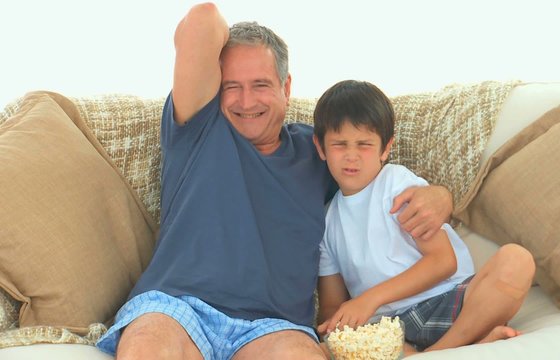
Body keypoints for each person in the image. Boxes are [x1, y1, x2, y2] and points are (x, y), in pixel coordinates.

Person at [95, 3, 453, 360]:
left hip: (274, 327)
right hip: (177, 308)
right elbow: (201, 21)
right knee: (150, 344)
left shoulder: (318, 151)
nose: (246, 101)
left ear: (286, 87)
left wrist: (440, 196)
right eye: (231, 85)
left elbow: (374, 175)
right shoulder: (198, 130)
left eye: (261, 85)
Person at [313, 80, 536, 354]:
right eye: (339, 144)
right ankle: (470, 344)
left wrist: (370, 299)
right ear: (320, 148)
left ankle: (439, 352)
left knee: (517, 260)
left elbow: (443, 262)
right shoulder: (326, 222)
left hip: (448, 302)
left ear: (386, 149)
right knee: (322, 349)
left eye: (364, 144)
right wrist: (335, 328)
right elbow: (332, 305)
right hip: (387, 326)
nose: (351, 156)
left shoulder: (396, 185)